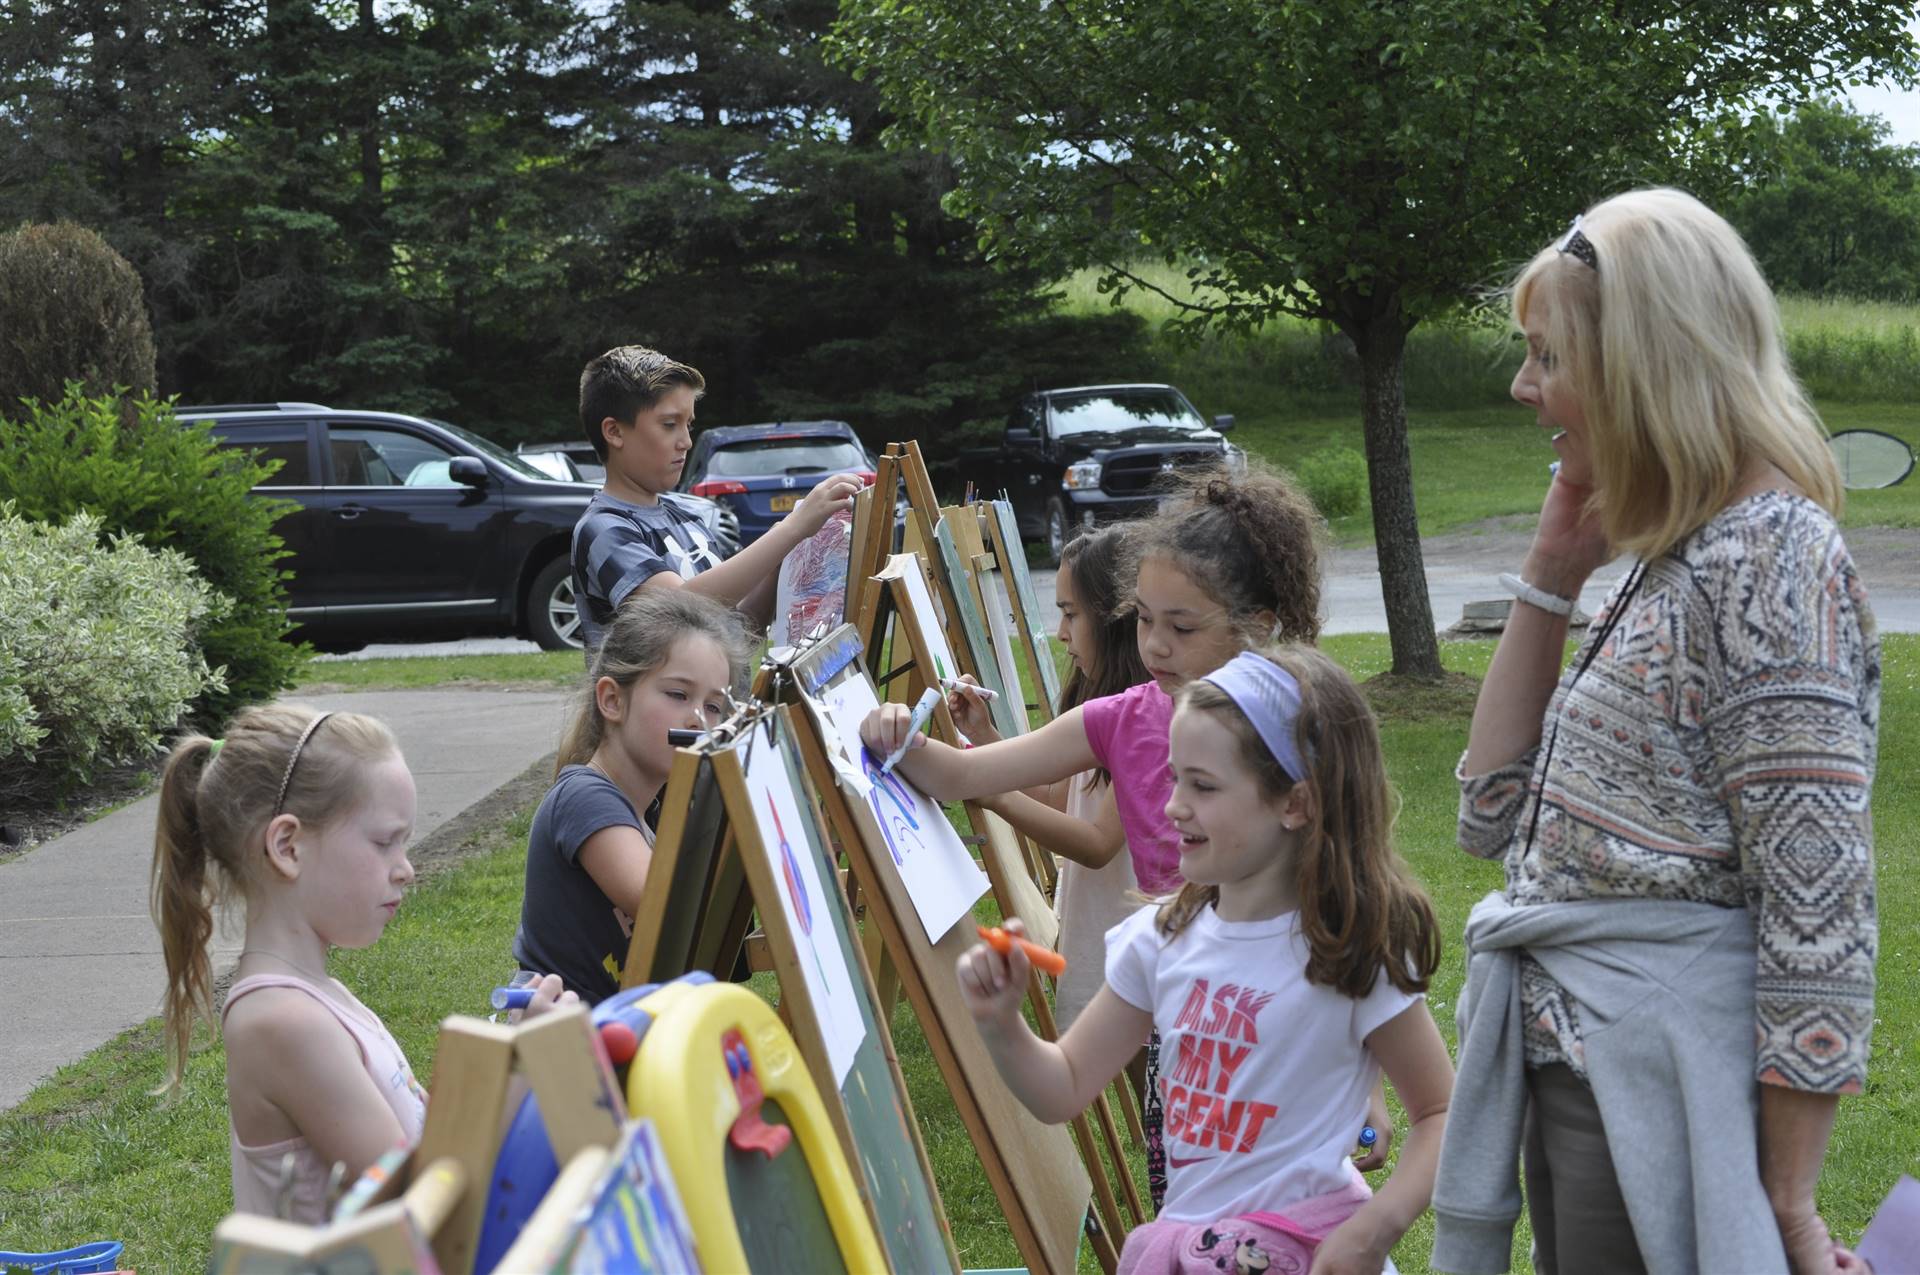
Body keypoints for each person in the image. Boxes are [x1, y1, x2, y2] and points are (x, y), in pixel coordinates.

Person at [1432, 189, 1880, 1275]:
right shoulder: (1673, 556)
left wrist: (1786, 1209)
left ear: (1643, 363)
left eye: (1548, 357)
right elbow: (1489, 811)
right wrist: (1550, 575)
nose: (1523, 387)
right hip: (1582, 1074)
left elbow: (1816, 909)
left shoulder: (1769, 560)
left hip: (1661, 1106)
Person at [861, 466, 1398, 1208]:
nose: (1155, 644)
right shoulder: (1119, 716)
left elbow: (1351, 904)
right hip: (1175, 989)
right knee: (1184, 1185)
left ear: (1260, 627)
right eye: (1142, 618)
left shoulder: (1302, 731)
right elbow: (959, 774)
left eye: (1182, 627)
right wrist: (892, 734)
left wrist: (1362, 1078)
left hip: (1284, 1010)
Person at [956, 645, 1454, 1274]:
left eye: (1204, 785)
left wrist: (1375, 1228)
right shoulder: (1158, 941)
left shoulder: (1348, 949)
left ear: (1294, 804)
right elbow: (1063, 1089)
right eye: (1174, 777)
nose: (1173, 805)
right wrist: (1002, 1024)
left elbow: (1440, 1113)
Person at [150, 705, 576, 1224]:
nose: (407, 870)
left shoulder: (324, 997)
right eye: (384, 843)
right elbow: (427, 1208)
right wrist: (520, 1066)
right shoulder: (282, 1022)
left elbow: (425, 1145)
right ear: (287, 846)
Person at [948, 524, 1149, 1031]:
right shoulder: (1103, 703)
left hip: (1138, 957)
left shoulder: (1147, 720)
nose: (1061, 633)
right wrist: (986, 736)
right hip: (1106, 937)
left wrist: (995, 795)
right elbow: (1064, 796)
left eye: (1070, 613)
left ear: (1115, 619)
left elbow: (1097, 841)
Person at [513, 589, 751, 1003]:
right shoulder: (585, 796)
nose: (698, 719)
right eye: (678, 695)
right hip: (565, 1044)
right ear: (612, 700)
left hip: (626, 1035)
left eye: (714, 707)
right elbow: (664, 904)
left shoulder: (659, 808)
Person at [571, 344, 864, 646]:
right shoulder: (604, 529)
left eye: (689, 425)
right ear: (615, 432)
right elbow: (680, 613)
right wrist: (791, 530)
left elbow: (734, 633)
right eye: (669, 425)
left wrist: (783, 557)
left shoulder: (688, 520)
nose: (686, 441)